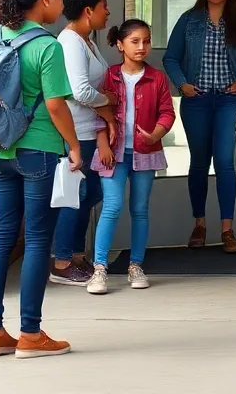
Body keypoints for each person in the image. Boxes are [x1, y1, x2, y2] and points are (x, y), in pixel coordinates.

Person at [0, 0, 78, 360]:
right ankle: (31, 335)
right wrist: (74, 146)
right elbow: (55, 105)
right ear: (46, 0)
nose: (63, 4)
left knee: (1, 239)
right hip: (37, 150)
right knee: (38, 240)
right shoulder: (47, 46)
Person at [163, 0, 236, 253]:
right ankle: (200, 224)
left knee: (225, 163)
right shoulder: (189, 20)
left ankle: (228, 230)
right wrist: (182, 86)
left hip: (230, 101)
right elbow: (170, 58)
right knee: (199, 162)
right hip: (197, 102)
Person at [87, 19, 176, 295]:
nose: (142, 47)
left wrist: (155, 134)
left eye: (146, 41)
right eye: (135, 41)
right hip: (112, 154)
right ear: (119, 44)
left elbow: (167, 112)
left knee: (140, 209)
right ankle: (99, 268)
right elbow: (97, 111)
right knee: (112, 206)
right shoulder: (109, 76)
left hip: (145, 153)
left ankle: (136, 265)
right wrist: (102, 143)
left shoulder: (157, 77)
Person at [50, 0, 117, 287]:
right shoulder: (70, 42)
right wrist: (109, 103)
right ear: (88, 10)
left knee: (90, 193)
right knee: (76, 196)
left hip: (90, 130)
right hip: (76, 132)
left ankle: (75, 255)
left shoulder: (87, 40)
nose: (109, 11)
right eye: (104, 6)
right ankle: (62, 261)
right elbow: (79, 90)